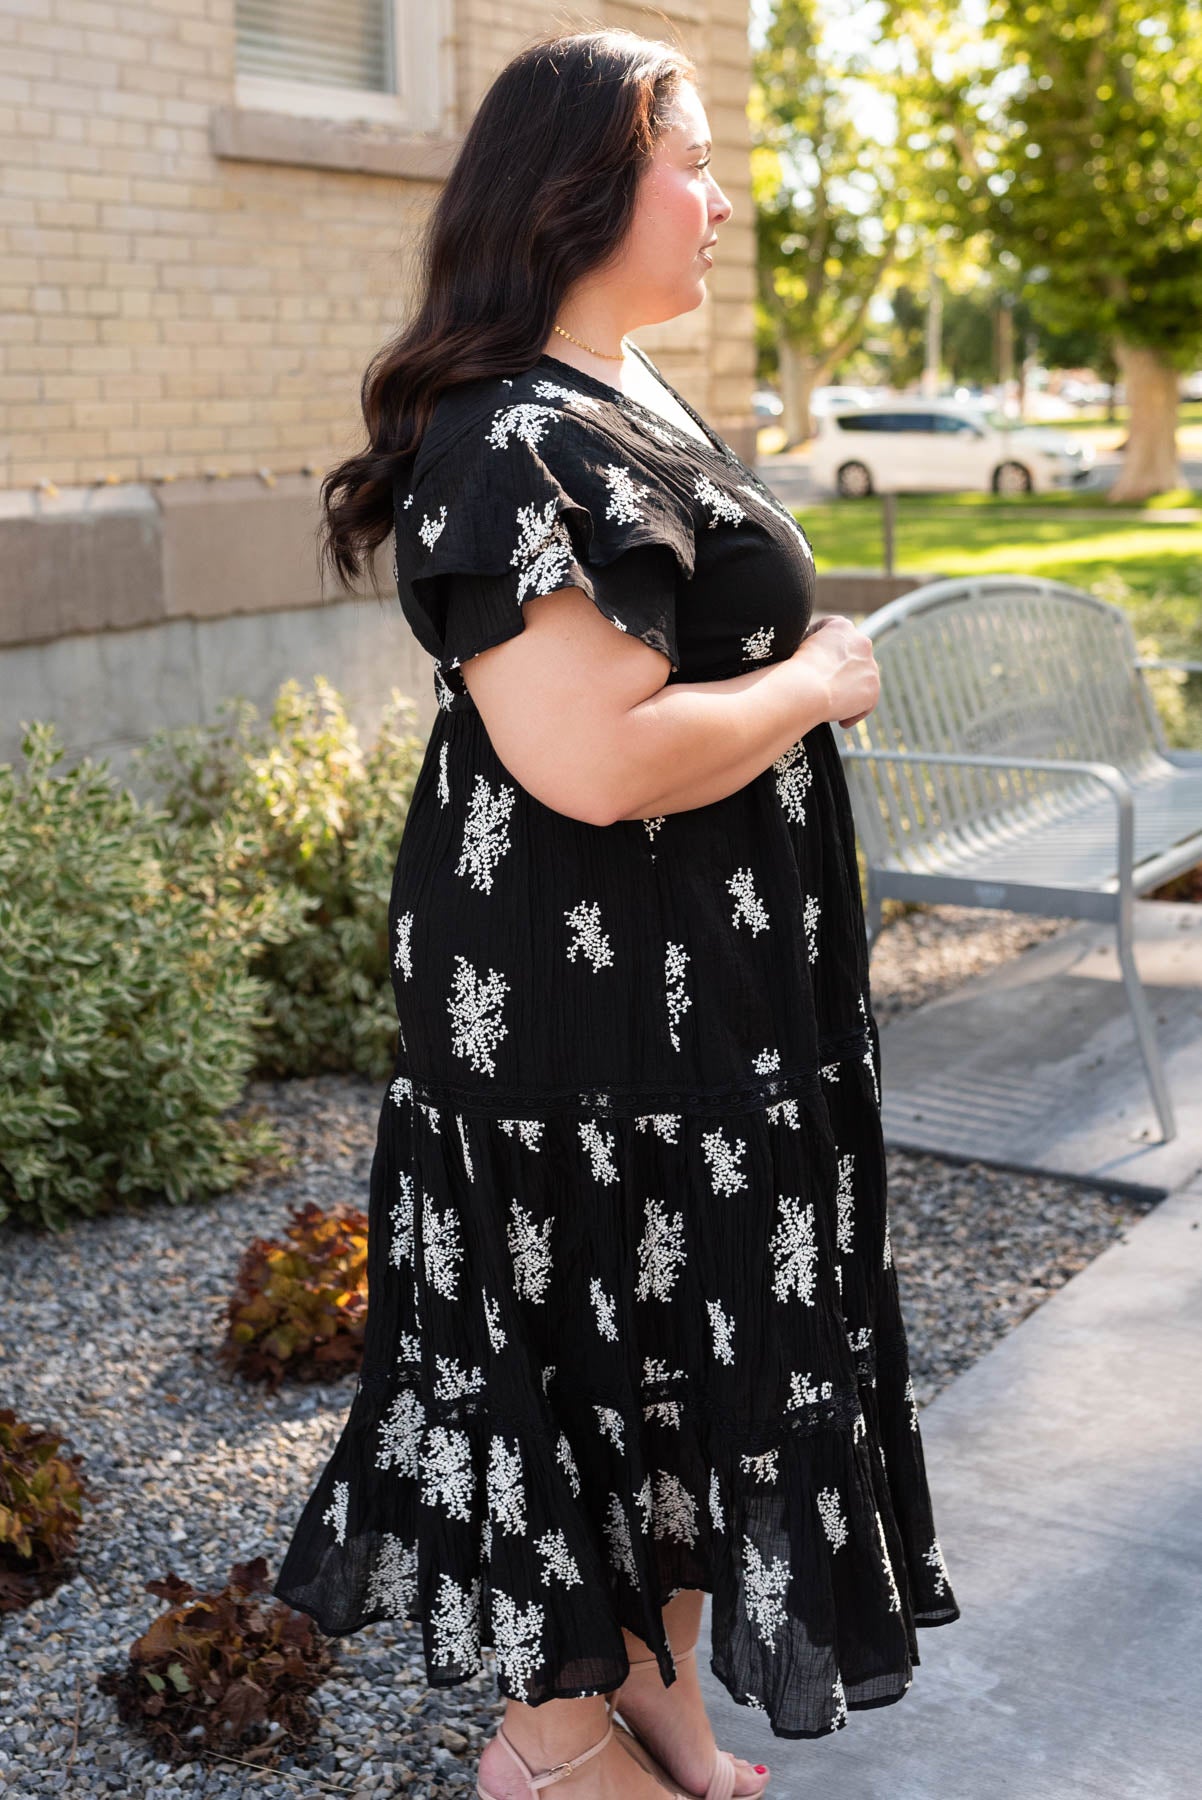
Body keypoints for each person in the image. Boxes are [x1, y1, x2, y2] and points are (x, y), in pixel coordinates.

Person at [272, 27, 960, 1800]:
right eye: (693, 158)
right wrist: (815, 682)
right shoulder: (509, 433)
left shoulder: (627, 392)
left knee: (666, 1331)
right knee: (578, 1337)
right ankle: (549, 1743)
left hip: (696, 1013)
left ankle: (657, 1692)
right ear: (580, 186)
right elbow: (593, 762)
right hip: (581, 1031)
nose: (722, 196)